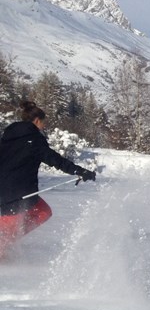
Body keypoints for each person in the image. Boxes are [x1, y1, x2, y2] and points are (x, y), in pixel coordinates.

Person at [0, 101, 96, 256]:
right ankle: (4, 248)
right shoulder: (34, 140)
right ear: (37, 120)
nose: (43, 126)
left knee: (43, 211)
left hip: (12, 193)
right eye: (43, 122)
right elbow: (55, 160)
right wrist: (80, 171)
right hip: (16, 195)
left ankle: (7, 243)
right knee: (7, 230)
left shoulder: (7, 137)